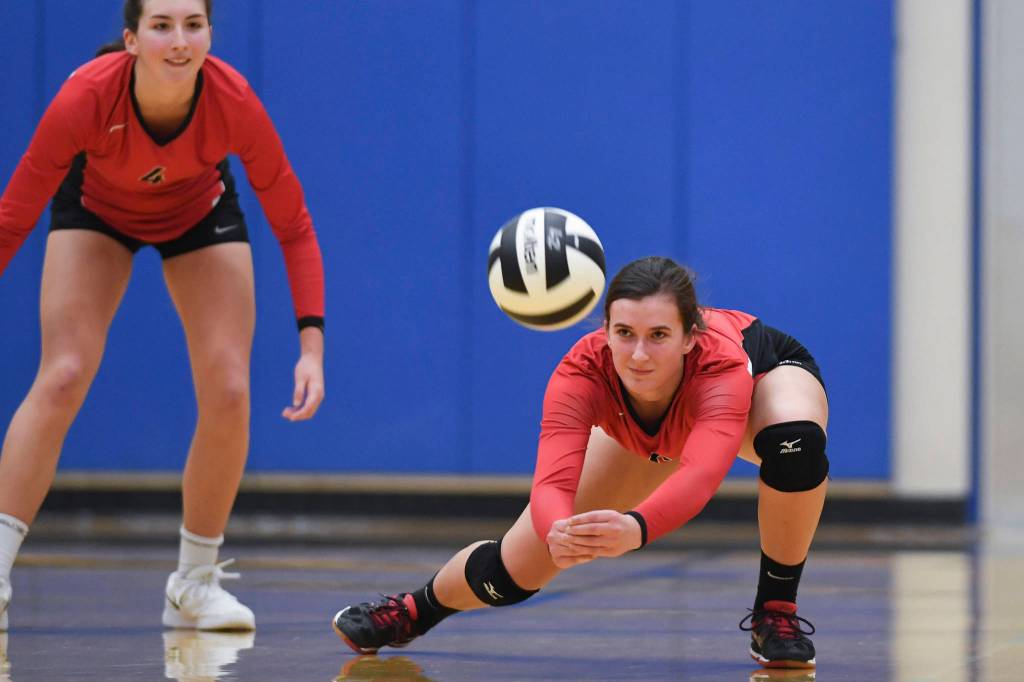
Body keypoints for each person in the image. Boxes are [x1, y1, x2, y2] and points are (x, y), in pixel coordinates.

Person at [0, 0, 325, 632]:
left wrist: (311, 345)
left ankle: (194, 586)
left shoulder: (233, 101)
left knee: (230, 389)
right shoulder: (85, 99)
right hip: (95, 209)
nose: (179, 41)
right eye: (161, 26)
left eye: (193, 25)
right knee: (64, 373)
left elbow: (294, 223)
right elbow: (13, 216)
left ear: (209, 34)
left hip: (198, 212)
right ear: (130, 39)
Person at [332, 256, 827, 670]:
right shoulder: (580, 370)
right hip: (643, 431)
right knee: (514, 572)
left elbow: (701, 473)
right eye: (625, 333)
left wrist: (636, 527)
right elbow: (551, 483)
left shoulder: (719, 363)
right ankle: (416, 609)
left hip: (760, 388)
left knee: (795, 443)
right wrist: (558, 533)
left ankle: (775, 611)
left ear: (689, 337)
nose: (638, 354)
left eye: (658, 335)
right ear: (605, 331)